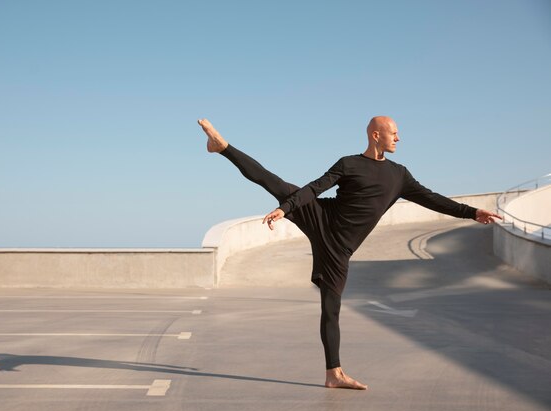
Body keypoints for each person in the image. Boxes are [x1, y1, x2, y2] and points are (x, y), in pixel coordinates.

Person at [197, 116, 501, 390]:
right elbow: (314, 188)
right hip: (321, 216)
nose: (398, 138)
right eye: (393, 133)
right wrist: (285, 208)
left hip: (339, 248)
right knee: (276, 183)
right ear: (375, 135)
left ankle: (334, 374)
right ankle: (222, 146)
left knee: (331, 308)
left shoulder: (400, 175)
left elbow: (431, 199)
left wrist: (472, 212)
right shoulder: (349, 163)